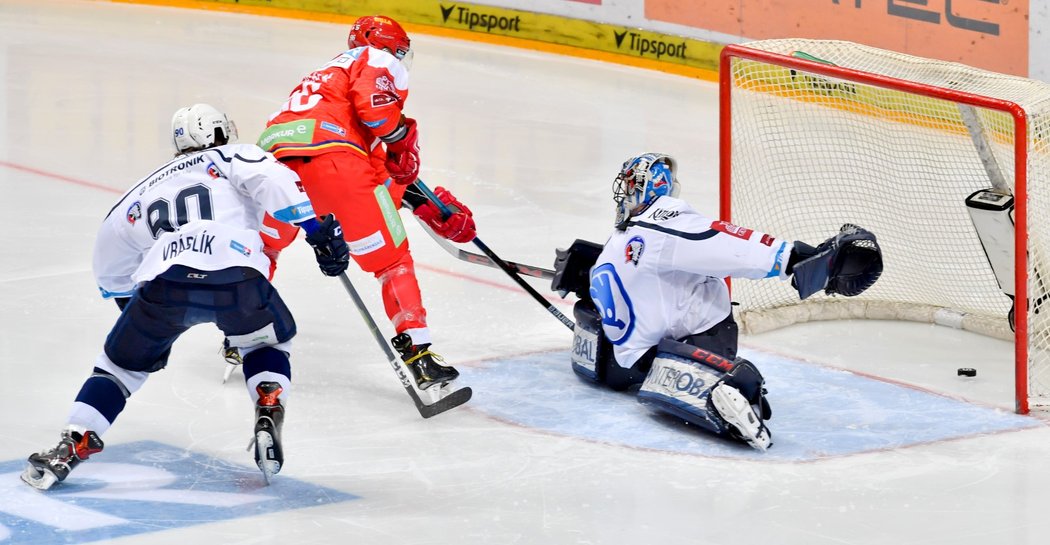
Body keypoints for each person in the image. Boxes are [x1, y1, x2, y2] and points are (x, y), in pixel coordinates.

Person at [21, 104, 350, 490]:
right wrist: (316, 230)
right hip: (237, 276)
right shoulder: (231, 155)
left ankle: (71, 444)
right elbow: (271, 178)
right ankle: (268, 403)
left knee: (118, 369)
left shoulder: (144, 187)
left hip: (165, 284)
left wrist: (140, 320)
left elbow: (110, 256)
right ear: (219, 133)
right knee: (266, 342)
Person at [551, 153, 883, 450]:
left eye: (628, 186)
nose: (625, 194)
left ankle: (689, 379)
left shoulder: (617, 240)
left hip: (616, 367)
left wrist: (581, 275)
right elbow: (722, 242)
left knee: (666, 283)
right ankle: (715, 385)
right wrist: (792, 260)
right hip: (680, 350)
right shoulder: (664, 221)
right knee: (707, 294)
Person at [255, 14, 476, 392]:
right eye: (399, 51)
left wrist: (424, 202)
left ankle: (242, 337)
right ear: (381, 42)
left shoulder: (322, 78)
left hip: (274, 168)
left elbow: (373, 167)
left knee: (264, 250)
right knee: (392, 262)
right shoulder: (374, 59)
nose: (399, 59)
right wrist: (402, 137)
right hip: (337, 164)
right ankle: (418, 353)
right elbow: (375, 122)